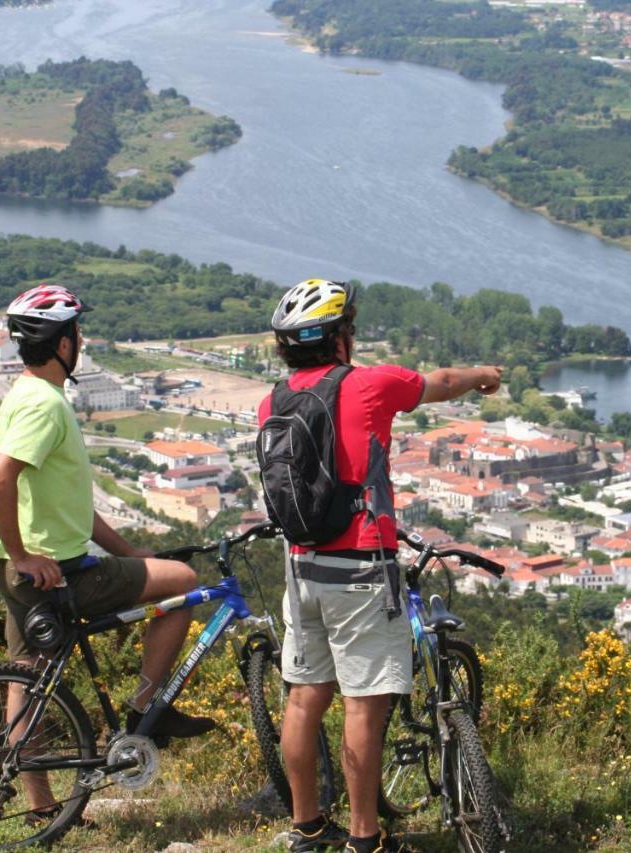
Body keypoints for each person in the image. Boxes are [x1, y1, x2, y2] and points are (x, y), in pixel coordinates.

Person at [259, 279, 501, 853]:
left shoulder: (274, 400)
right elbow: (439, 384)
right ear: (340, 337)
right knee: (364, 706)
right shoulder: (369, 384)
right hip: (361, 568)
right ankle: (365, 839)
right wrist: (481, 375)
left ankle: (308, 828)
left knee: (303, 698)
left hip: (300, 566)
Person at [0, 284, 215, 822]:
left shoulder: (24, 393)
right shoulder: (45, 406)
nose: (80, 340)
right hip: (48, 570)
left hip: (25, 566)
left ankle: (43, 810)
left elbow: (69, 506)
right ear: (62, 343)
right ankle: (145, 708)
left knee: (30, 677)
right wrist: (24, 556)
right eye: (76, 332)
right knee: (181, 580)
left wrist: (128, 551)